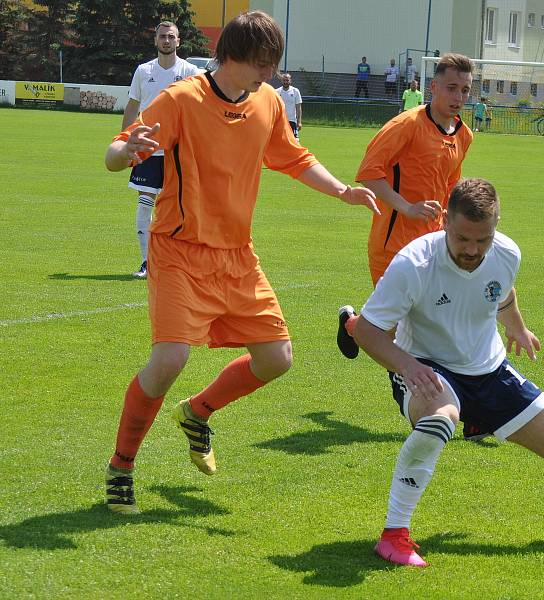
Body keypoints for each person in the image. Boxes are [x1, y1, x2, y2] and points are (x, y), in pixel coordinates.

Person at [102, 10, 378, 515]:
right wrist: (127, 151)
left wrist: (341, 190)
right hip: (179, 251)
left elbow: (293, 156)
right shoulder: (183, 99)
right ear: (232, 56)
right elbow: (116, 151)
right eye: (261, 64)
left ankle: (198, 412)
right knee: (169, 360)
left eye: (271, 64)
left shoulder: (267, 102)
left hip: (236, 255)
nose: (268, 74)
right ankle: (122, 467)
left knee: (276, 359)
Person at [353, 178, 544, 567]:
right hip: (427, 365)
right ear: (444, 223)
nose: (473, 250)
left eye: (482, 240)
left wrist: (516, 326)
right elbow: (368, 331)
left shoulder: (507, 252)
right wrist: (407, 366)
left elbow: (502, 292)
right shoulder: (414, 264)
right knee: (440, 421)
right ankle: (394, 535)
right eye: (463, 239)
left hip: (489, 369)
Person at [336, 52, 473, 354]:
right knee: (398, 329)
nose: (458, 96)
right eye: (451, 88)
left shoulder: (464, 135)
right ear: (433, 87)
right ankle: (356, 327)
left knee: (422, 326)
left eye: (464, 90)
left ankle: (355, 325)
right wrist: (407, 207)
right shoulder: (406, 125)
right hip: (392, 244)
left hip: (434, 244)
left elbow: (449, 186)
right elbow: (368, 174)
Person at [122, 21, 201, 279]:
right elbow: (132, 107)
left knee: (182, 207)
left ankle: (181, 262)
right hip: (148, 148)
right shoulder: (143, 71)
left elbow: (204, 106)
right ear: (155, 40)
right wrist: (125, 142)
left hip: (179, 151)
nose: (166, 41)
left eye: (171, 37)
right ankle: (147, 262)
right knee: (145, 203)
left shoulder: (190, 70)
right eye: (162, 37)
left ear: (178, 41)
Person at [276, 72, 302, 139]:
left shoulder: (295, 91)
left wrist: (299, 122)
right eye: (284, 80)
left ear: (290, 81)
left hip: (292, 121)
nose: (285, 82)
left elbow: (298, 107)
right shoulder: (277, 92)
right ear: (281, 81)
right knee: (280, 141)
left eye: (287, 80)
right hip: (280, 121)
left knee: (295, 141)